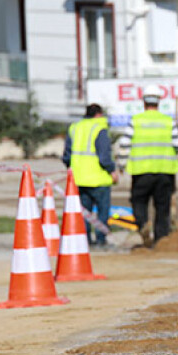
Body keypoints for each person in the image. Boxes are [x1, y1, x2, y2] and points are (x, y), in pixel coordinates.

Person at [115, 85, 178, 248]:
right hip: (165, 171)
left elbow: (124, 144)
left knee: (139, 202)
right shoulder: (168, 121)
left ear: (143, 101)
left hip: (141, 172)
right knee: (162, 208)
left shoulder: (136, 121)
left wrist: (121, 165)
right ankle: (160, 240)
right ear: (159, 101)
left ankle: (143, 225)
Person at [62, 103, 120, 247]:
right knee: (102, 212)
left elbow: (66, 155)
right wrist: (112, 170)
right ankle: (101, 240)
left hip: (79, 178)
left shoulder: (74, 128)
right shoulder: (99, 129)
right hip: (99, 179)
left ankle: (85, 241)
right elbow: (104, 156)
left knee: (84, 213)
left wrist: (72, 168)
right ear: (99, 114)